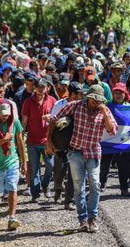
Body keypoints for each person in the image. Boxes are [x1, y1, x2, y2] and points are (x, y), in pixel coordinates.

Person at [46, 84, 118, 233]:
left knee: (95, 184)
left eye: (99, 101)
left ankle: (93, 218)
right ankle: (83, 219)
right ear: (88, 97)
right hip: (75, 152)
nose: (96, 103)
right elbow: (54, 119)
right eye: (94, 100)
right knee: (78, 186)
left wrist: (104, 113)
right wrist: (49, 142)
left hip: (93, 152)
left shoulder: (104, 110)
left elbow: (112, 131)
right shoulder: (76, 106)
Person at [0, 99, 26, 230]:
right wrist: (4, 140)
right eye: (3, 114)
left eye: (7, 114)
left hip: (11, 161)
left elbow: (20, 143)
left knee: (13, 187)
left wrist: (24, 162)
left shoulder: (15, 122)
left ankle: (12, 218)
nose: (5, 116)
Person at [50, 82, 84, 210]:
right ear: (73, 94)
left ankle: (69, 199)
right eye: (80, 93)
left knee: (73, 172)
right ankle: (58, 191)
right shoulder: (60, 105)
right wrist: (50, 142)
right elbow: (52, 122)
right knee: (59, 169)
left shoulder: (82, 106)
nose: (82, 96)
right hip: (61, 141)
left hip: (74, 142)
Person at [21, 77, 57, 202]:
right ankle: (35, 194)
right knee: (34, 169)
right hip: (32, 141)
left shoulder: (52, 100)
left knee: (51, 165)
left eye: (43, 87)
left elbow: (58, 118)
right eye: (39, 87)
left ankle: (46, 185)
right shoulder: (28, 102)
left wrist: (52, 117)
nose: (41, 90)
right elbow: (24, 122)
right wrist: (20, 136)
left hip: (48, 141)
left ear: (47, 88)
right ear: (34, 88)